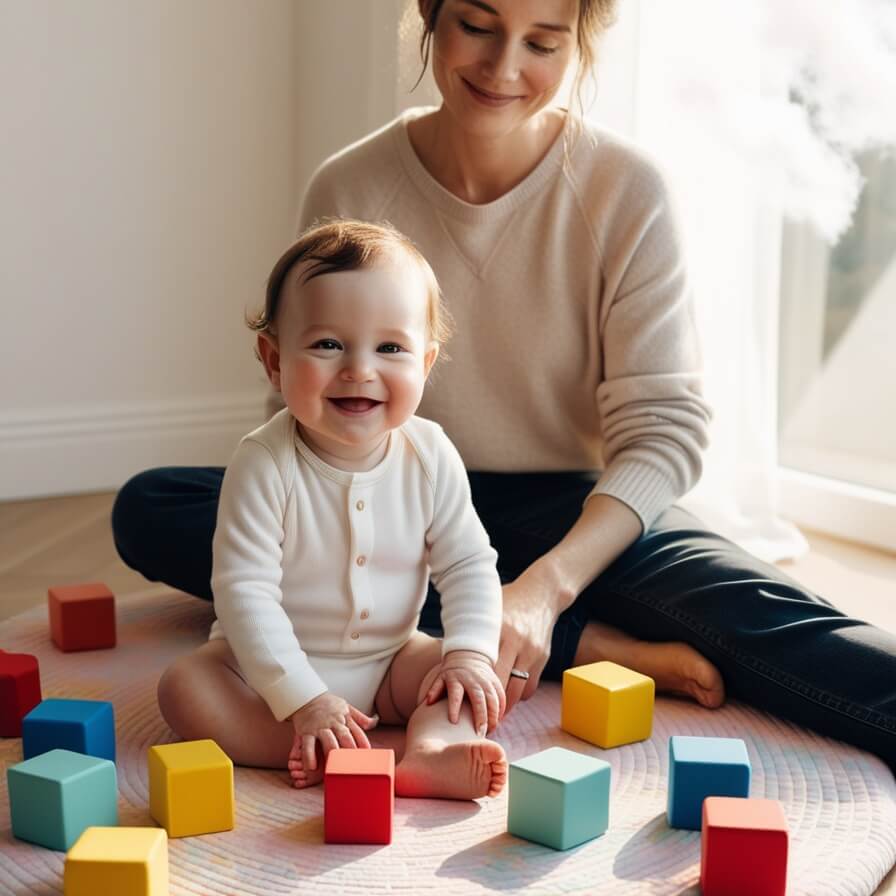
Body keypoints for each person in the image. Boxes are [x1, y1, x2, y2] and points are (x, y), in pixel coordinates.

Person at [115, 0, 896, 767]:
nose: (504, 67)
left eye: (544, 42)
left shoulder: (626, 189)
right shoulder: (350, 186)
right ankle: (584, 645)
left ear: (580, 44)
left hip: (570, 511)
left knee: (764, 614)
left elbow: (664, 427)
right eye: (478, 27)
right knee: (155, 505)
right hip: (388, 491)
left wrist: (548, 588)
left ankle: (546, 626)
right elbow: (300, 400)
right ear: (430, 12)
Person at [157, 219, 509, 799]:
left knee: (461, 677)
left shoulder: (431, 454)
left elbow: (469, 564)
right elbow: (245, 593)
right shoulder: (264, 462)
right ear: (273, 360)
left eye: (390, 347)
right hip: (266, 675)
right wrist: (302, 698)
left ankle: (430, 750)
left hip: (393, 659)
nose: (358, 369)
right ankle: (351, 749)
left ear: (425, 362)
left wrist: (469, 653)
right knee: (186, 686)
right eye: (327, 344)